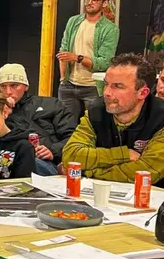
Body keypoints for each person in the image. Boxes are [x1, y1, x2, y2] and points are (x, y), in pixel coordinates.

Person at [62, 53, 164, 186]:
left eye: (118, 86)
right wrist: (123, 154)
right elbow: (70, 155)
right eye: (106, 84)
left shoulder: (160, 118)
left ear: (142, 93)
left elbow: (145, 171)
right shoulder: (96, 110)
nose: (106, 93)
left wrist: (86, 171)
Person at [0, 63, 75, 176]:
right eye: (3, 86)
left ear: (26, 86)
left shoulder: (51, 104)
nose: (8, 92)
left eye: (14, 85)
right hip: (13, 162)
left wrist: (52, 151)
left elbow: (73, 138)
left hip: (50, 163)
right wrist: (3, 113)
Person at [57, 0, 120, 124]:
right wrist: (63, 79)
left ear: (104, 3)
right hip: (69, 84)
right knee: (65, 126)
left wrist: (77, 58)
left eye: (95, 0)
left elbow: (104, 62)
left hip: (92, 87)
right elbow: (63, 50)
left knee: (94, 126)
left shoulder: (110, 29)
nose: (90, 3)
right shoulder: (74, 21)